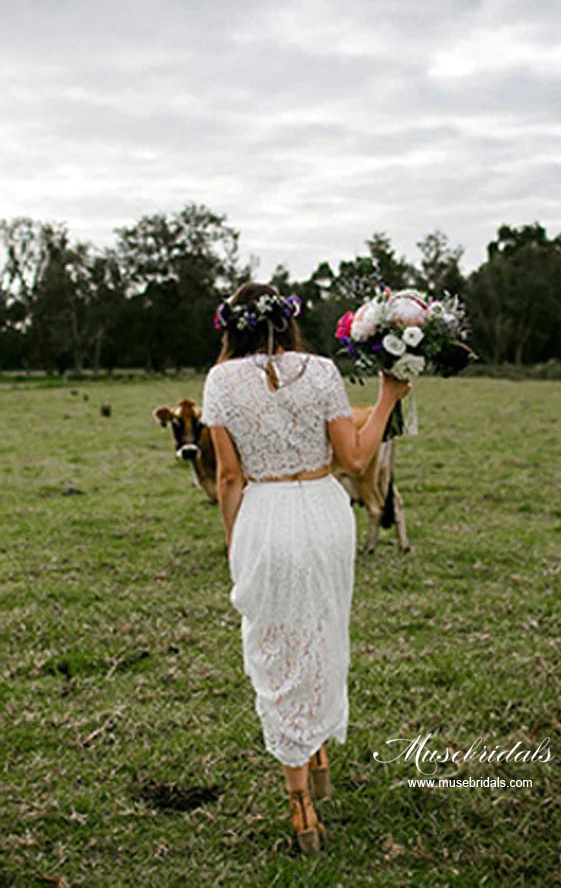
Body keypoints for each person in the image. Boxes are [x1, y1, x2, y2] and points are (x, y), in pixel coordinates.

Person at [201, 282, 411, 853]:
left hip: (265, 515)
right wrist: (389, 394)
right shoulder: (320, 371)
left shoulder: (221, 382)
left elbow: (227, 477)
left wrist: (232, 541)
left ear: (231, 327)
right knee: (320, 630)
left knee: (275, 645)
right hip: (323, 512)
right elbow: (357, 457)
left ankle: (301, 808)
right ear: (287, 321)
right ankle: (314, 755)